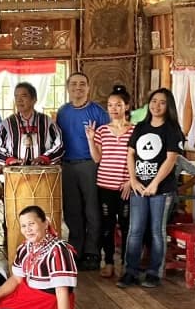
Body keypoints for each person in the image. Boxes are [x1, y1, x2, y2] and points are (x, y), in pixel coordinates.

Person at [119, 87, 185, 289]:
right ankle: (130, 271)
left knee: (157, 231)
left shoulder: (172, 130)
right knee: (135, 230)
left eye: (162, 102)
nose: (157, 106)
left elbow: (170, 159)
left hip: (161, 189)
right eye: (154, 101)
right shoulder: (141, 127)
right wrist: (133, 180)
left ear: (169, 106)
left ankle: (154, 272)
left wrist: (155, 183)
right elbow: (130, 154)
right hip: (139, 187)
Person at [56, 72, 110, 271]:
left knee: (92, 210)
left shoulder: (98, 112)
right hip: (67, 166)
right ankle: (75, 250)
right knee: (72, 211)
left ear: (88, 88)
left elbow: (108, 141)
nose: (77, 87)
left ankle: (92, 252)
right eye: (73, 84)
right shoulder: (63, 112)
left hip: (91, 165)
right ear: (68, 88)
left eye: (82, 84)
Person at [87, 85, 134, 278]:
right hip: (105, 185)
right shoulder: (102, 131)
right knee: (107, 226)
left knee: (126, 226)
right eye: (110, 105)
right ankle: (108, 262)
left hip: (126, 187)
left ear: (127, 106)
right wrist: (90, 139)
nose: (114, 109)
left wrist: (131, 181)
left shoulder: (135, 131)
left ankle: (126, 263)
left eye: (118, 105)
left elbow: (139, 159)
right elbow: (97, 158)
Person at [0, 82, 64, 167]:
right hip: (15, 172)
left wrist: (45, 158)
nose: (19, 100)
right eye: (16, 96)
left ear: (34, 99)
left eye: (24, 96)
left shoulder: (47, 122)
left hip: (42, 171)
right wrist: (9, 159)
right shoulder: (6, 124)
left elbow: (60, 145)